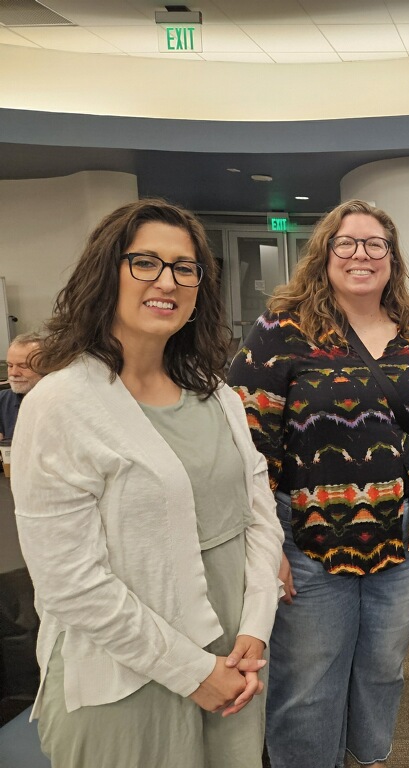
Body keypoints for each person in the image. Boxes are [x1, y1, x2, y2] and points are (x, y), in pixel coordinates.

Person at [11, 199, 284, 767]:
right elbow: (70, 584)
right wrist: (192, 672)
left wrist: (256, 626)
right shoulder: (60, 404)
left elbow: (259, 515)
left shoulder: (216, 392)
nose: (168, 281)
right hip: (125, 677)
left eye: (185, 268)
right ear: (106, 272)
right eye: (146, 263)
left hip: (234, 663)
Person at [228, 199, 409, 768]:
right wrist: (266, 545)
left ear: (392, 259)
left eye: (376, 244)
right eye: (346, 243)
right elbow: (247, 445)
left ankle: (367, 758)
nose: (361, 255)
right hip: (309, 544)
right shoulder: (281, 332)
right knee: (309, 681)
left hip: (402, 539)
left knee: (382, 671)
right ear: (324, 255)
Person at [0, 332, 45, 440]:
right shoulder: (2, 399)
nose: (14, 373)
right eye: (10, 365)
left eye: (23, 366)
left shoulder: (59, 402)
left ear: (46, 367)